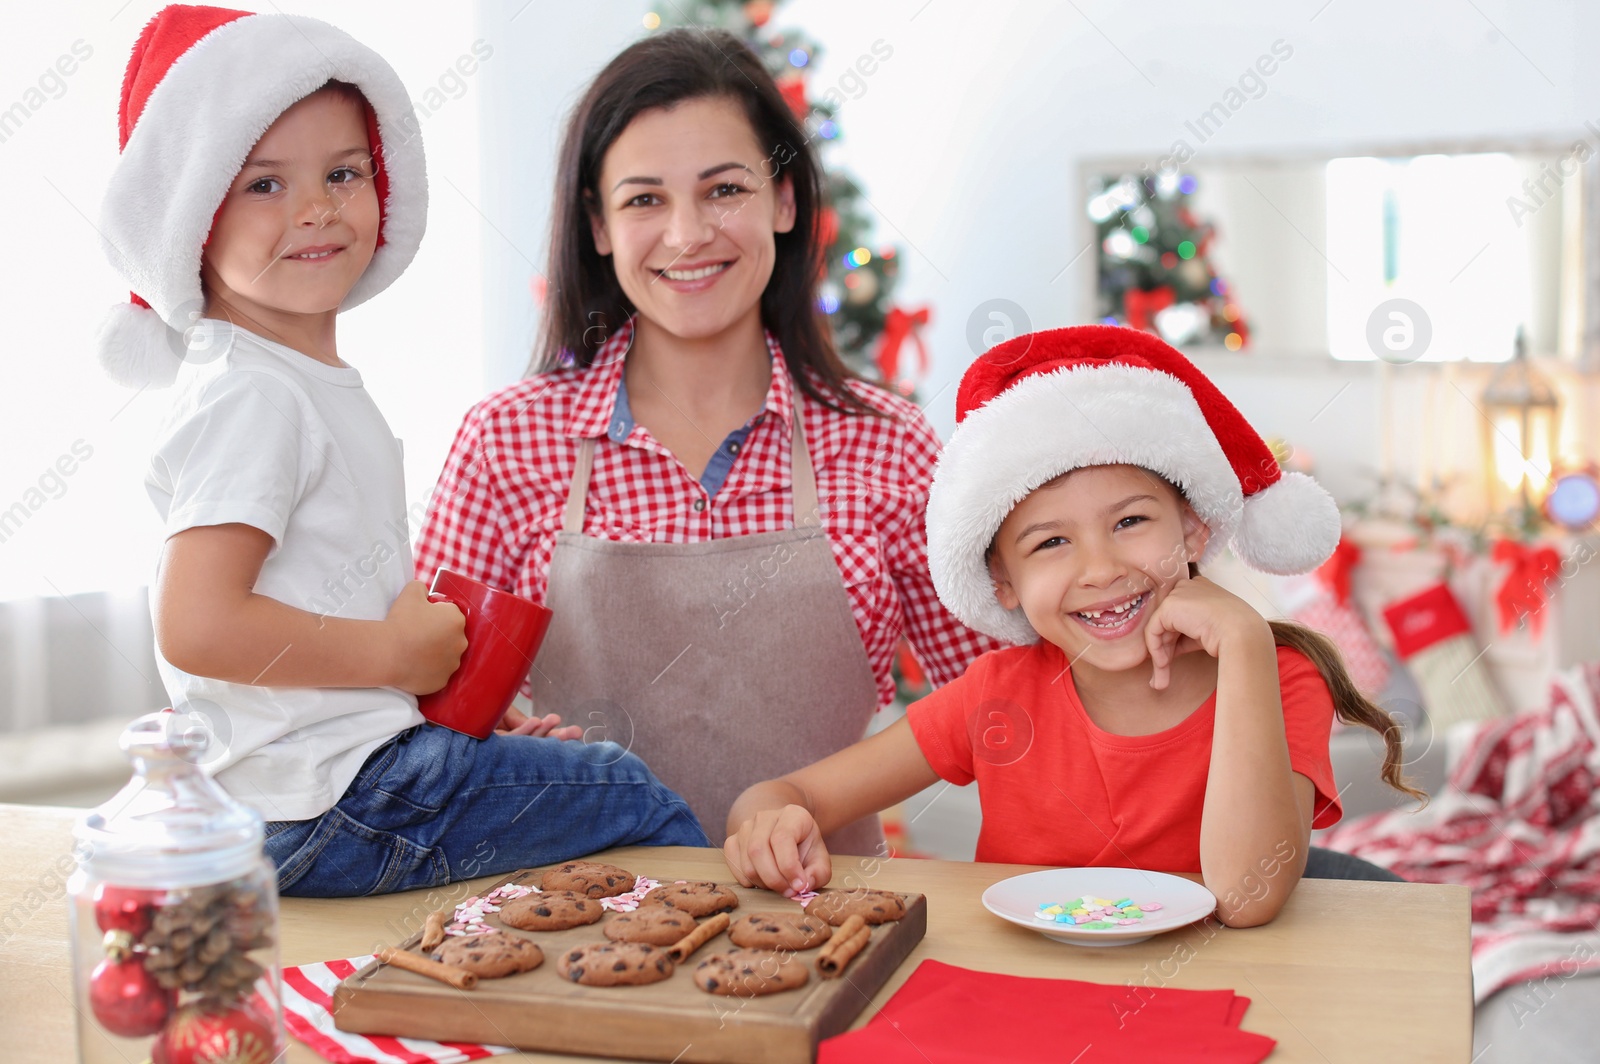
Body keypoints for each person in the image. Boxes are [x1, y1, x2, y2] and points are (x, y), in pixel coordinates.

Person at [96, 5, 705, 898]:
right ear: (191, 218)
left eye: (343, 172)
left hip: (330, 783)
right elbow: (196, 625)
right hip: (329, 802)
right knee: (633, 797)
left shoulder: (291, 383)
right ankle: (716, 1004)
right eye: (263, 184)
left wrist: (456, 725)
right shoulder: (254, 394)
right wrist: (391, 655)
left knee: (563, 810)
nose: (316, 208)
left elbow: (316, 637)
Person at [414, 28, 998, 855]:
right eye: (644, 199)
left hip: (829, 924)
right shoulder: (507, 442)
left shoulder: (887, 445)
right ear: (599, 225)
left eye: (724, 190)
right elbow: (420, 713)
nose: (688, 234)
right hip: (572, 933)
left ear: (785, 201)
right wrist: (500, 746)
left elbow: (1000, 704)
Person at [724, 325, 1424, 926]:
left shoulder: (1276, 677)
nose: (1099, 568)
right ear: (1003, 581)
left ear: (1192, 527)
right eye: (1050, 543)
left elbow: (1245, 897)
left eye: (1129, 522)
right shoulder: (994, 696)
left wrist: (1244, 642)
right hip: (1026, 1010)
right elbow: (790, 796)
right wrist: (768, 823)